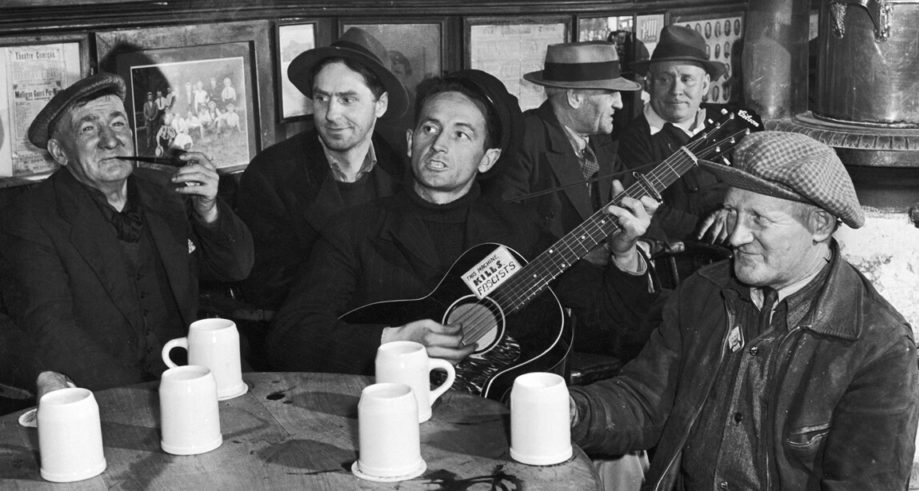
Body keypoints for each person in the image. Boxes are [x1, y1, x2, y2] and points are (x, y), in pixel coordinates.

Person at [570, 131, 919, 490]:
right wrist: (567, 411)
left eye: (758, 219)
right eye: (731, 212)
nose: (735, 237)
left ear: (820, 225)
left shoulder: (877, 344)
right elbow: (645, 402)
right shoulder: (703, 292)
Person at [268, 69, 659, 385]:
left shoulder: (519, 231)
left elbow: (612, 325)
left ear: (488, 159)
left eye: (461, 134)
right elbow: (288, 338)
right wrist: (395, 340)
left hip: (490, 424)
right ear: (410, 142)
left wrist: (624, 253)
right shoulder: (354, 230)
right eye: (429, 129)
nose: (439, 144)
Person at [0, 73, 254, 395]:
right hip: (107, 394)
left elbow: (236, 269)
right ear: (59, 152)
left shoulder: (167, 191)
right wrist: (140, 400)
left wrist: (209, 210)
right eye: (88, 129)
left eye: (118, 124)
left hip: (190, 377)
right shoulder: (32, 217)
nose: (110, 140)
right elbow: (52, 331)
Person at [234, 28, 409, 316]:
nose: (331, 114)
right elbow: (266, 287)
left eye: (347, 99)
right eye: (321, 98)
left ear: (381, 105)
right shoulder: (272, 173)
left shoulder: (401, 167)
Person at [619, 25, 733, 276]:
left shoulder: (727, 123)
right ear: (648, 84)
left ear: (705, 84)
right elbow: (652, 212)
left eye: (687, 79)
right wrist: (717, 228)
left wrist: (734, 214)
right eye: (665, 79)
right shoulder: (633, 140)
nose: (676, 90)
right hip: (681, 268)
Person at [498, 42, 641, 239]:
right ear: (575, 98)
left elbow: (632, 192)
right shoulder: (523, 140)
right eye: (610, 93)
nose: (620, 103)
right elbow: (506, 227)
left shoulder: (600, 140)